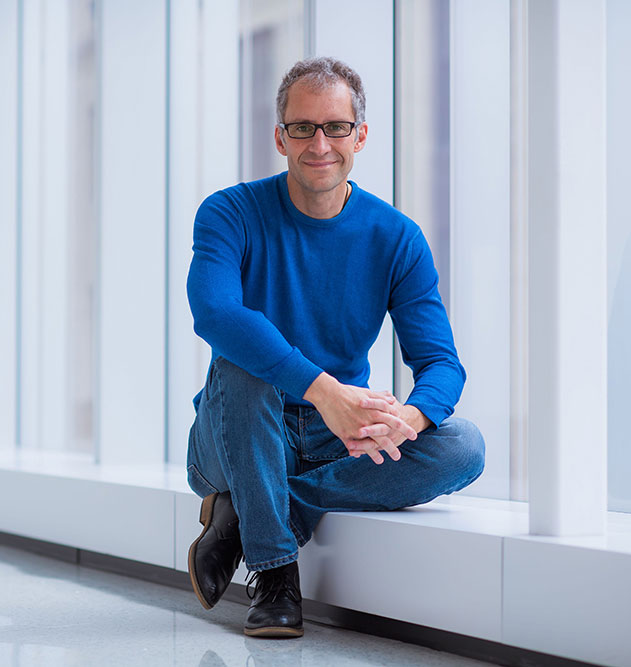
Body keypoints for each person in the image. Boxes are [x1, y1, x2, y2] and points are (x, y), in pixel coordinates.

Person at [185, 56, 485, 639]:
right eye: (302, 128)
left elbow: (441, 363)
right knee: (245, 368)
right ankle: (275, 574)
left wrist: (411, 417)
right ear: (280, 137)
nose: (319, 143)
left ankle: (253, 512)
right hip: (234, 432)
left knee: (462, 446)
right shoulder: (229, 213)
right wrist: (326, 392)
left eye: (336, 127)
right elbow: (215, 313)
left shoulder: (396, 236)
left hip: (335, 440)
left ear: (361, 135)